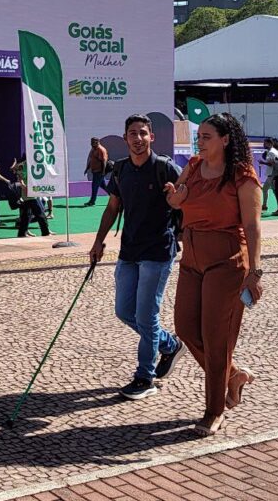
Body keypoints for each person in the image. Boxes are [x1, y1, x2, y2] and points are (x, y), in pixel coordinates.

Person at [165, 113, 263, 437]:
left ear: (225, 139)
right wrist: (174, 199)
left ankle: (214, 410)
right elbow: (175, 196)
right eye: (200, 136)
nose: (200, 141)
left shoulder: (242, 176)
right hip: (192, 257)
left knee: (215, 337)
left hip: (228, 261)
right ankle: (233, 375)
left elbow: (252, 227)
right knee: (184, 325)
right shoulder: (193, 166)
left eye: (207, 136)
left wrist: (255, 272)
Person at [89, 114, 185, 402]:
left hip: (158, 251)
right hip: (129, 251)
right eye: (133, 133)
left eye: (143, 133)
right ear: (125, 137)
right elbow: (112, 208)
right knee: (124, 311)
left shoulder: (166, 168)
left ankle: (145, 377)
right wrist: (98, 241)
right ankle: (169, 344)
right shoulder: (120, 170)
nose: (138, 138)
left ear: (151, 137)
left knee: (146, 315)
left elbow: (186, 202)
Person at [83, 137, 110, 206]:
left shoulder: (101, 150)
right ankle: (116, 197)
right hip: (95, 171)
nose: (91, 144)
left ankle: (92, 201)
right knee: (103, 186)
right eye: (91, 142)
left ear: (97, 142)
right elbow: (92, 159)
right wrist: (87, 168)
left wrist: (103, 171)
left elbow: (104, 161)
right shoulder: (93, 149)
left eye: (93, 142)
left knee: (94, 186)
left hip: (99, 172)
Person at [258, 137, 278, 211]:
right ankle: (264, 205)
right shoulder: (272, 151)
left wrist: (262, 162)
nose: (263, 144)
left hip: (273, 175)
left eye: (265, 143)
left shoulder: (271, 152)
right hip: (271, 174)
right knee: (265, 189)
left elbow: (272, 164)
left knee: (275, 191)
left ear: (269, 144)